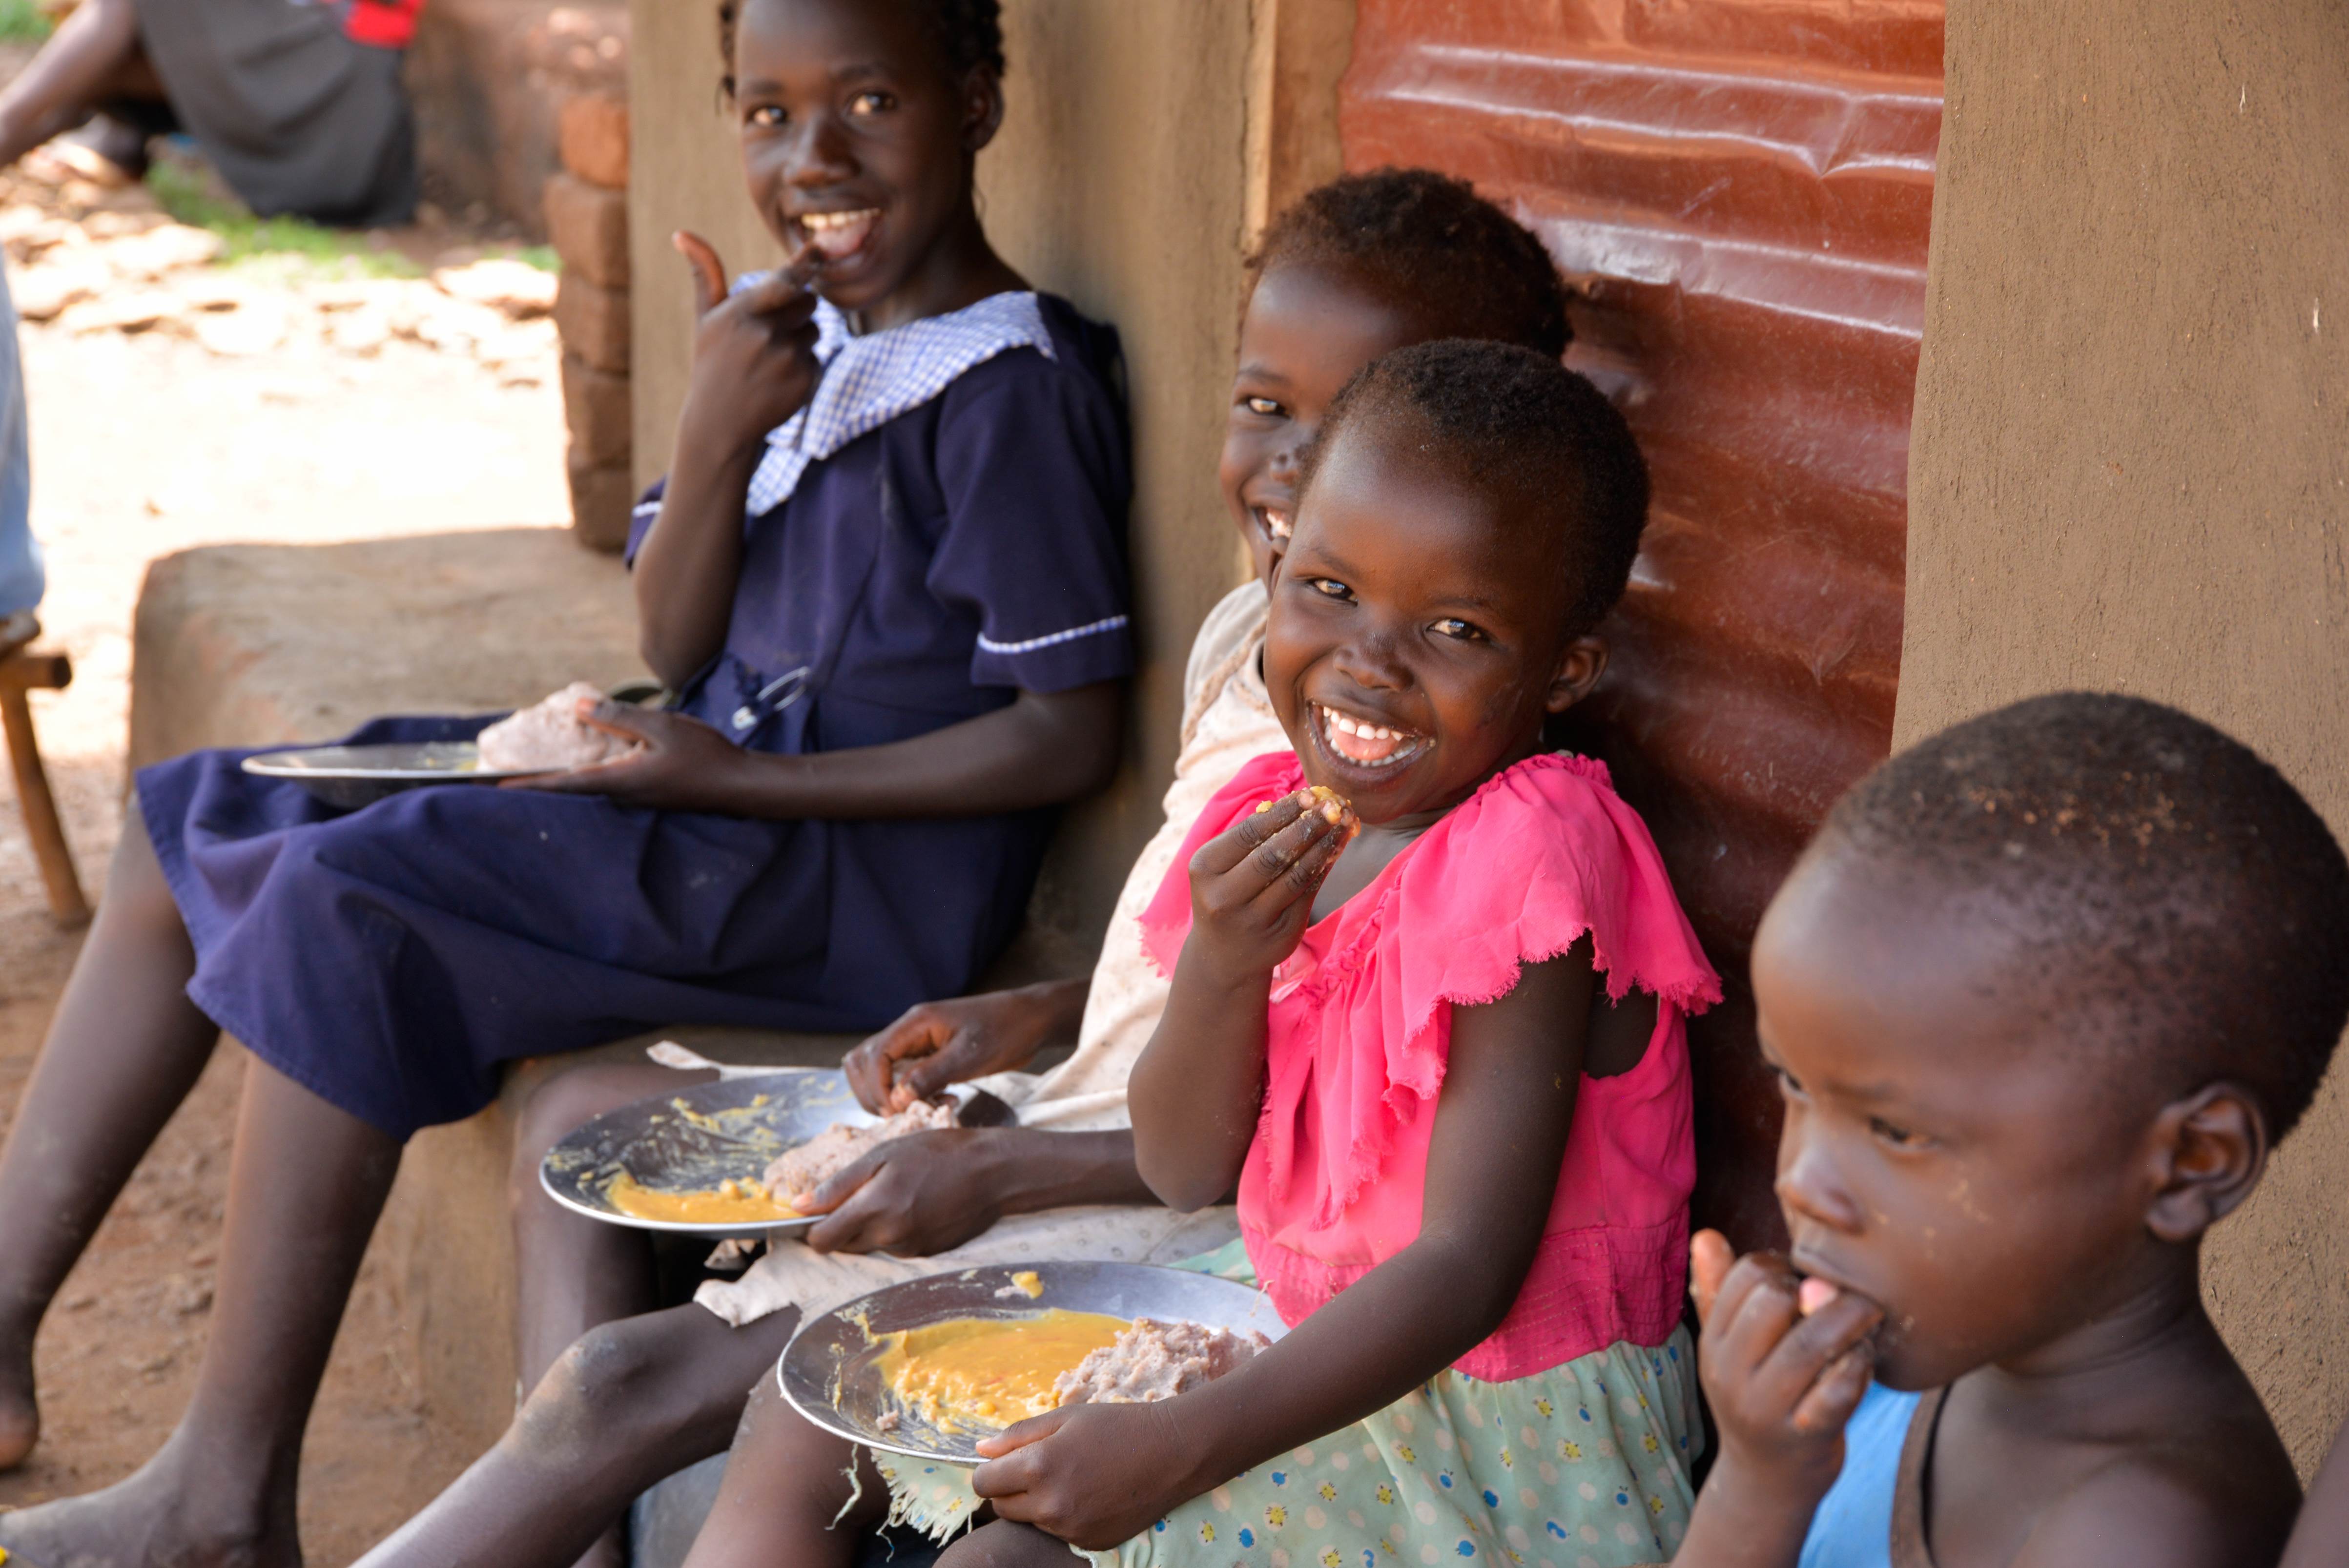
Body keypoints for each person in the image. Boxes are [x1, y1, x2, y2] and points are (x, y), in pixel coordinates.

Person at [0, 0, 1137, 1561]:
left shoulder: (1007, 387)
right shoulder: (792, 343)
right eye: (762, 113)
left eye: (869, 101)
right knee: (203, 796)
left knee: (352, 899)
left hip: (842, 881)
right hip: (715, 793)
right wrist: (713, 427)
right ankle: (2, 1314)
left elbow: (1063, 731)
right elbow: (669, 634)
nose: (811, 158)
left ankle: (221, 1491)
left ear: (978, 100)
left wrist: (728, 779)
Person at [357, 167, 1587, 1568]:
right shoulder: (1261, 652)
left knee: (686, 1395)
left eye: (1360, 416)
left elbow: (1313, 1142)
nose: (1297, 465)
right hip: (1099, 1109)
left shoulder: (1437, 774)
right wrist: (1049, 1005)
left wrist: (1009, 1168)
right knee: (592, 1164)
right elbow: (1217, 960)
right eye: (1265, 406)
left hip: (1170, 1202)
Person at [688, 337, 1720, 1568]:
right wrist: (1227, 963)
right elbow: (1186, 1163)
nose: (1368, 661)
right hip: (1291, 1309)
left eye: (1453, 626)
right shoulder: (1273, 812)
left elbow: (1464, 1267)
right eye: (1329, 589)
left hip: (1495, 1416)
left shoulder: (1536, 849)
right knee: (804, 1418)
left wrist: (1182, 1441)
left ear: (1563, 670)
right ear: (1276, 566)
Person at [1675, 692, 2349, 1568]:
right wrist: (1759, 1478)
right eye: (1793, 1084)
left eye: (1895, 1129)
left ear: (2190, 1162)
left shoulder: (2138, 1532)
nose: (1801, 1179)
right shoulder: (1901, 1369)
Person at [0, 0, 423, 225]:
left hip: (334, 88)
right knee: (116, 36)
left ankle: (44, 132)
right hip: (330, 96)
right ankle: (108, 138)